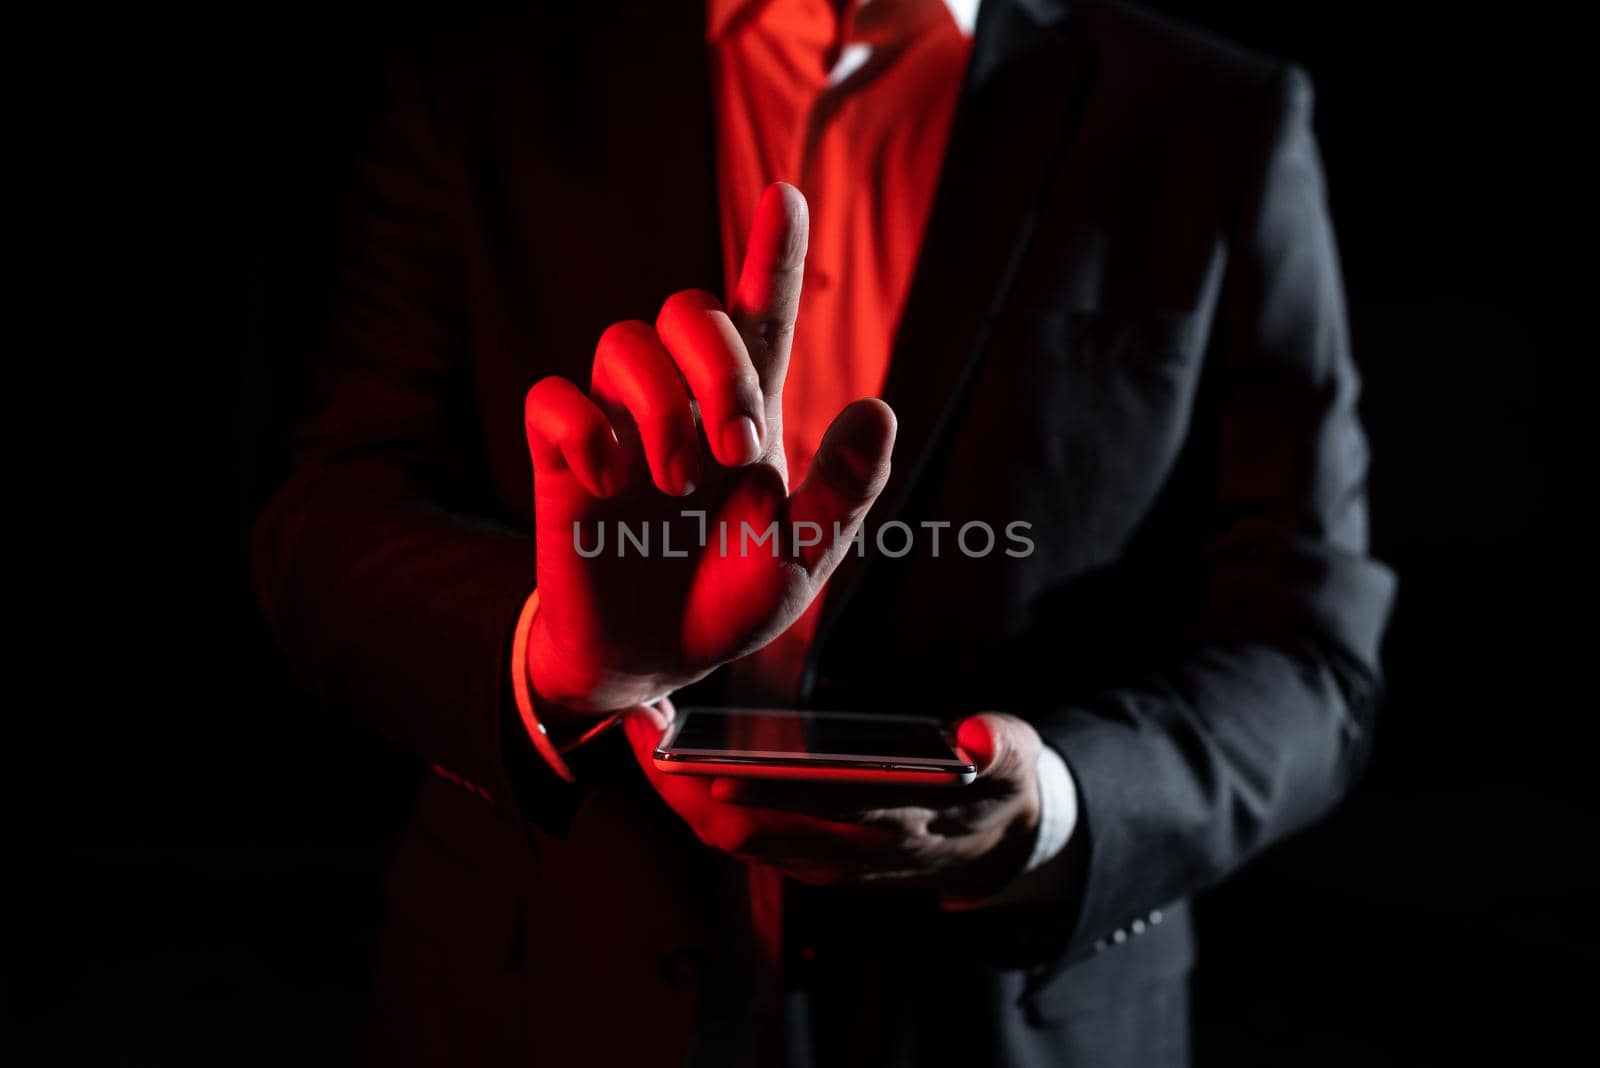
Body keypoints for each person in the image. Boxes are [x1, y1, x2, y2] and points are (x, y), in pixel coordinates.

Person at [252, 1, 1395, 1064]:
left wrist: (1055, 808)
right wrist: (552, 655)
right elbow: (333, 516)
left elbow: (1310, 649)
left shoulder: (1214, 117)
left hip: (1010, 1026)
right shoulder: (487, 78)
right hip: (537, 999)